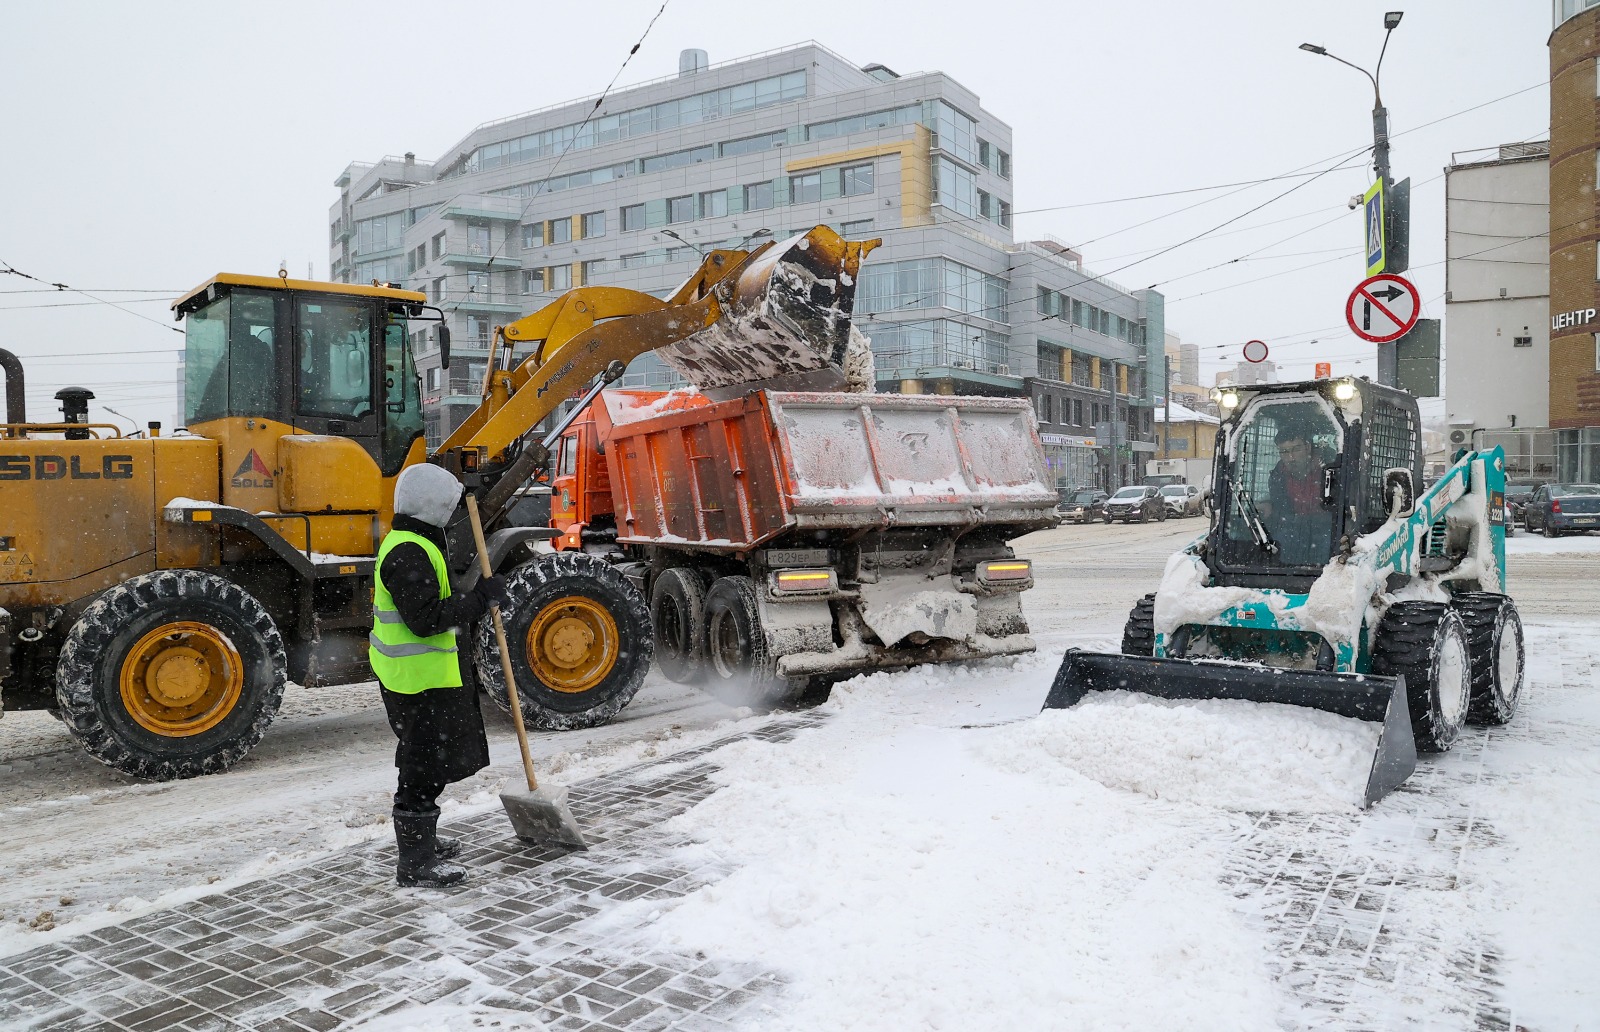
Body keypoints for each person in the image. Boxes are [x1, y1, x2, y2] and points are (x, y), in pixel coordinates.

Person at [370, 462, 507, 888]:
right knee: (421, 765)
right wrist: (479, 600)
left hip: (418, 678)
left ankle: (422, 845)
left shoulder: (414, 541)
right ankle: (414, 864)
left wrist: (470, 599)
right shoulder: (408, 551)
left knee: (426, 761)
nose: (450, 515)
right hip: (417, 682)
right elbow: (426, 619)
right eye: (447, 507)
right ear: (431, 506)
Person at [1259, 426, 1333, 565]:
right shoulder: (1278, 475)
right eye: (1284, 451)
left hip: (1327, 527)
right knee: (1275, 547)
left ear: (1308, 447)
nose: (1290, 458)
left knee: (1328, 549)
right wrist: (1267, 503)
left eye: (1296, 449)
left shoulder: (1331, 469)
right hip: (1293, 527)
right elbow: (1279, 504)